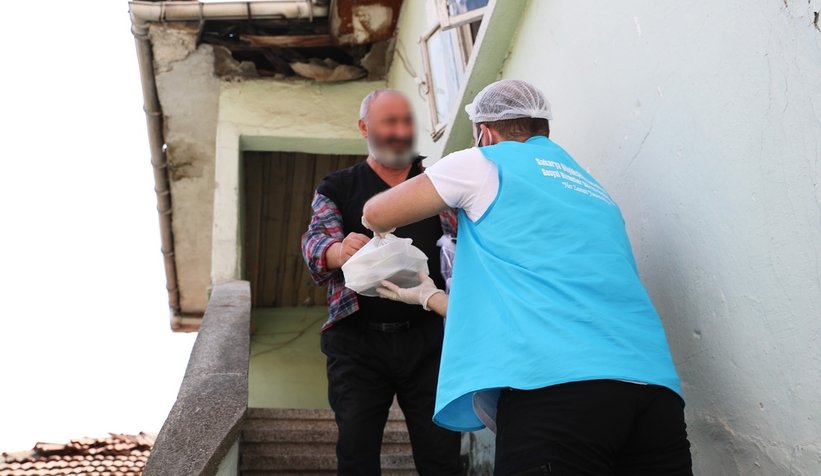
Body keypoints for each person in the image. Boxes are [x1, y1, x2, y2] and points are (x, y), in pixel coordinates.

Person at [361, 80, 692, 476]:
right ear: (542, 130)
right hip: (653, 390)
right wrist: (430, 297)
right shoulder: (594, 190)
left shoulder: (483, 162)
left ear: (485, 133)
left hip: (557, 388)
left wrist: (381, 243)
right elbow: (542, 289)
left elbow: (376, 214)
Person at [300, 89, 462, 475]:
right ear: (364, 127)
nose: (400, 131)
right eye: (389, 122)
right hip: (357, 342)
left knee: (442, 455)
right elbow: (314, 243)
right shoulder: (337, 186)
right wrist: (338, 250)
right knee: (356, 455)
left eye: (406, 122)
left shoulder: (438, 182)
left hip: (430, 338)